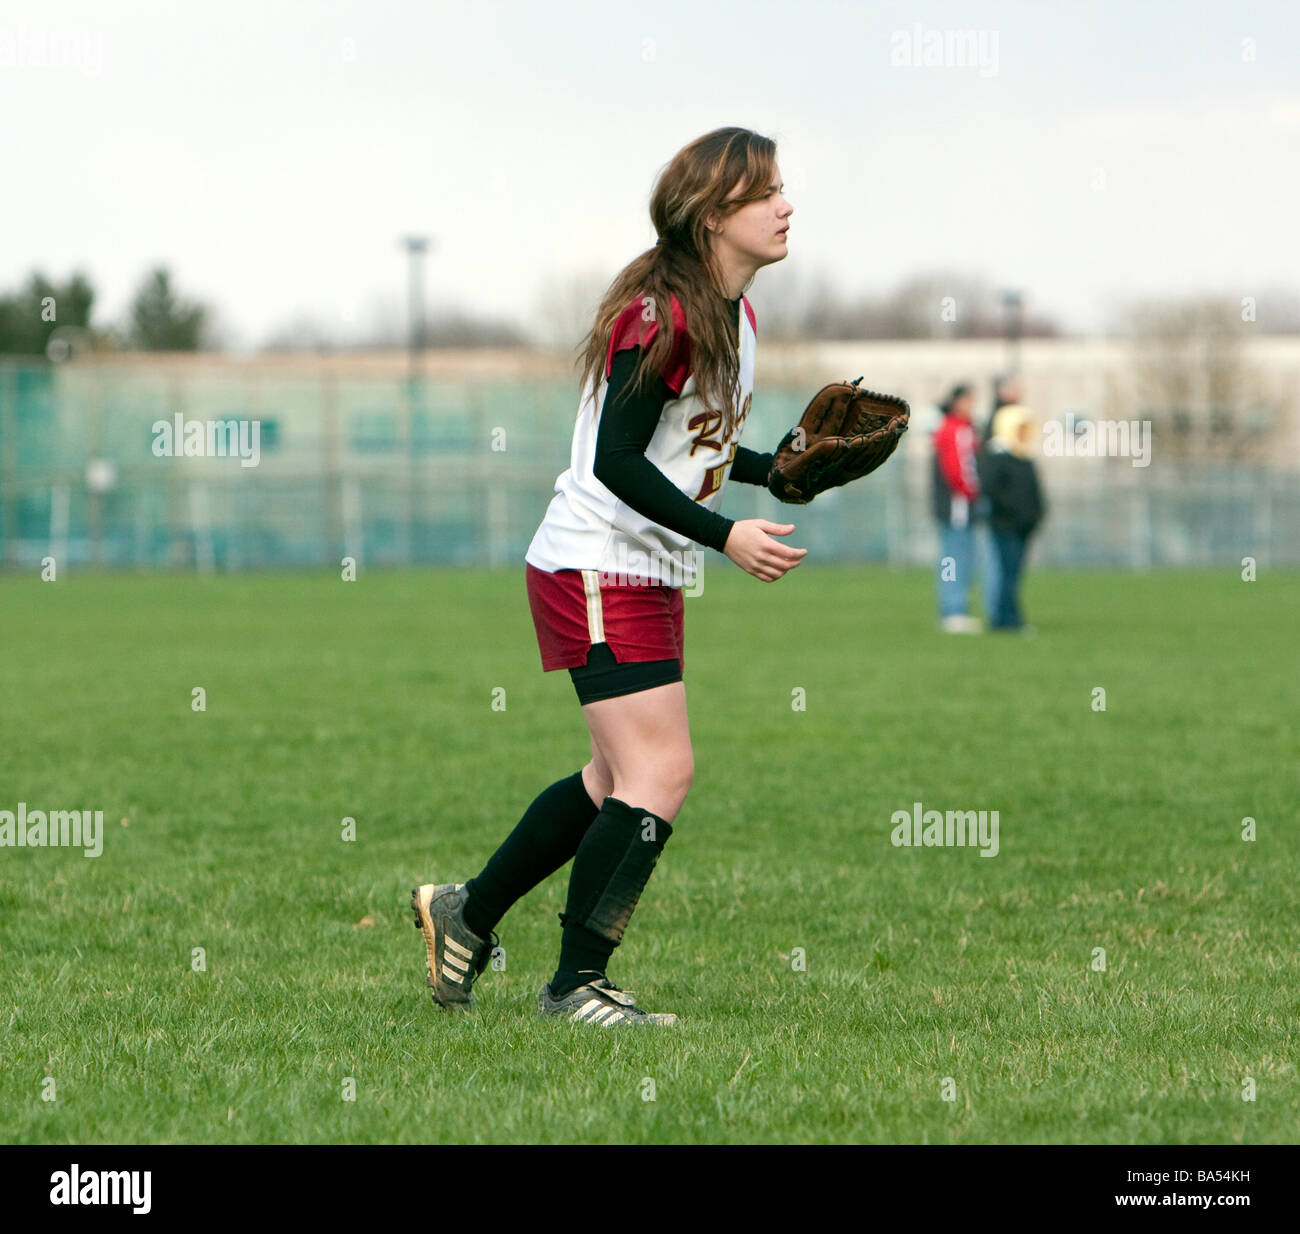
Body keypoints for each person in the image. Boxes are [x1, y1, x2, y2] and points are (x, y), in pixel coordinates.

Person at [411, 127, 801, 1027]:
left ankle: (466, 912)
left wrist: (769, 471)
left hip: (634, 567)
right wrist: (726, 535)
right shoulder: (663, 314)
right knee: (660, 771)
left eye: (784, 189)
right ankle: (575, 986)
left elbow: (685, 442)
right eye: (765, 193)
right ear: (712, 216)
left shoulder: (728, 313)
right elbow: (617, 458)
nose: (785, 206)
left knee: (613, 776)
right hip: (596, 561)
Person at [977, 405, 1046, 632]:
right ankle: (1007, 619)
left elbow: (1034, 492)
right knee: (1006, 574)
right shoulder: (997, 457)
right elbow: (992, 491)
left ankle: (1007, 617)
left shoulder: (1025, 457)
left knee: (1014, 574)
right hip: (1005, 525)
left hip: (1024, 527)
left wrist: (1037, 515)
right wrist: (1013, 513)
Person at [931, 383, 983, 632]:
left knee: (957, 555)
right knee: (953, 557)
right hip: (957, 505)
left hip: (958, 503)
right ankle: (953, 608)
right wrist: (971, 492)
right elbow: (957, 468)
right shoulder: (955, 429)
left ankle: (955, 607)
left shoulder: (961, 428)